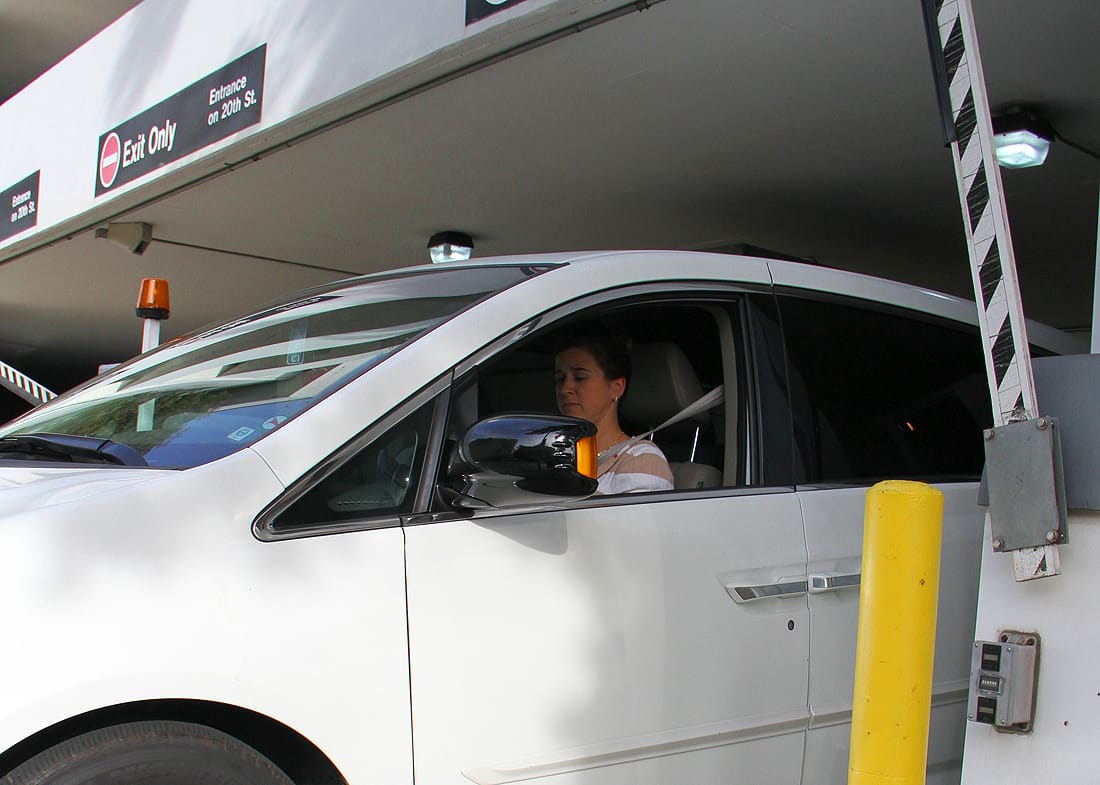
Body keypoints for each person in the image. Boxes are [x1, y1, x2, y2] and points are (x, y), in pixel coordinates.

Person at [553, 322, 674, 494]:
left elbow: (637, 521)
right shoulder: (556, 458)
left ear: (616, 387)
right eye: (560, 379)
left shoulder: (643, 460)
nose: (565, 389)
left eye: (579, 377)